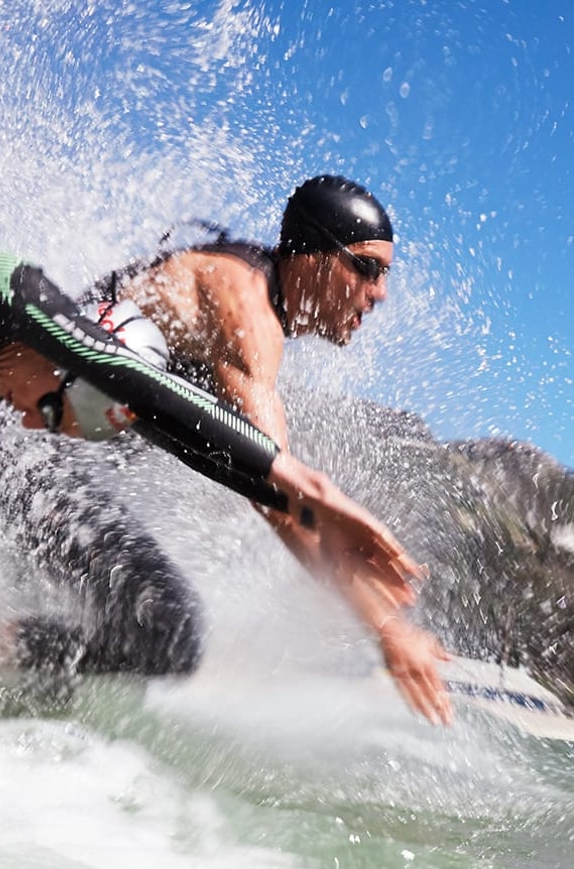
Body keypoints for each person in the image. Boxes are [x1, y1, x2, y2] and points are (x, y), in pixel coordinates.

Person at [0, 233, 449, 724]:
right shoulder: (13, 297)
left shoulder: (8, 379)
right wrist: (311, 492)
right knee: (164, 629)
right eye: (368, 268)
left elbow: (176, 429)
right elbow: (136, 382)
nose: (35, 422)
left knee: (163, 635)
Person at [79, 174, 453, 725]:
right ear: (312, 255)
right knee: (169, 632)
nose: (380, 294)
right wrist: (387, 628)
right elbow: (275, 491)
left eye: (385, 276)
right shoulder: (244, 309)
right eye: (366, 268)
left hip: (48, 453)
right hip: (20, 453)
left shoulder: (256, 292)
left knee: (143, 641)